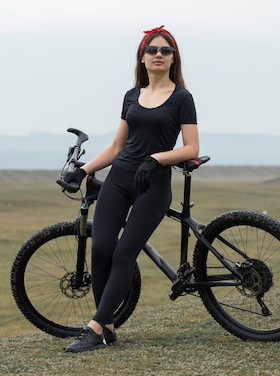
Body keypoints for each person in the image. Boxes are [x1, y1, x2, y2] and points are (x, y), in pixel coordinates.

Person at [61, 25, 199, 353]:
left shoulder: (182, 98)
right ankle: (106, 324)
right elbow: (116, 146)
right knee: (101, 248)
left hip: (153, 185)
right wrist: (83, 171)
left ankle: (95, 328)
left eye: (166, 50)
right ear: (142, 56)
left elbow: (192, 148)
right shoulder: (132, 95)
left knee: (124, 253)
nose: (159, 55)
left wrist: (157, 159)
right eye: (153, 50)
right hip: (120, 179)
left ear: (173, 58)